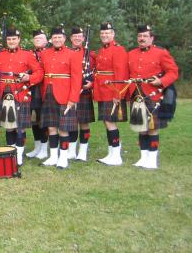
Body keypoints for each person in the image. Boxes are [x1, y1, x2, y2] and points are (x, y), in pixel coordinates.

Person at [127, 25, 179, 169]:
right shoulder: (131, 53)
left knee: (153, 128)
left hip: (153, 95)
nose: (141, 38)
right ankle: (143, 158)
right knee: (141, 127)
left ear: (151, 38)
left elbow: (173, 72)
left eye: (145, 36)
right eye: (139, 36)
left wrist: (161, 82)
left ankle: (152, 159)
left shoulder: (161, 53)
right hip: (136, 94)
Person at [0, 28, 43, 165]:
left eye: (14, 39)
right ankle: (11, 152)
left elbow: (39, 72)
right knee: (9, 126)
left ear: (19, 39)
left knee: (20, 126)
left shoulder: (27, 55)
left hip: (20, 93)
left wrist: (29, 77)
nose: (11, 41)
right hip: (4, 93)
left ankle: (19, 155)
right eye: (9, 39)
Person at [39, 26, 82, 169]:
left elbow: (77, 78)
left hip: (64, 95)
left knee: (63, 128)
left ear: (64, 39)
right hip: (48, 93)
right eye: (55, 37)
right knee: (51, 127)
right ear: (51, 39)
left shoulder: (73, 54)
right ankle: (52, 156)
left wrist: (73, 98)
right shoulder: (44, 53)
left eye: (60, 37)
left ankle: (63, 158)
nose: (57, 40)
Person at [93, 22, 129, 166]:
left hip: (112, 90)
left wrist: (118, 93)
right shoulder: (102, 50)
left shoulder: (118, 50)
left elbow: (121, 73)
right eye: (102, 33)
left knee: (110, 122)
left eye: (107, 33)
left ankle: (116, 155)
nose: (104, 35)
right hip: (102, 90)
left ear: (113, 34)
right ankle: (111, 153)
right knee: (106, 122)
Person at [69, 26, 96, 161]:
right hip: (70, 91)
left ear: (84, 38)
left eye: (80, 36)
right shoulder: (67, 52)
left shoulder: (91, 54)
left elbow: (98, 71)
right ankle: (72, 150)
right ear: (71, 38)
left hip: (84, 92)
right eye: (75, 36)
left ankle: (83, 151)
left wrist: (92, 83)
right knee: (72, 122)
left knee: (84, 123)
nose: (77, 38)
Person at [25, 29, 50, 160]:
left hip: (47, 89)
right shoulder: (29, 54)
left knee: (44, 120)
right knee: (34, 119)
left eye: (40, 38)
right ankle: (37, 147)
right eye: (36, 39)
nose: (38, 40)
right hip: (33, 89)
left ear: (46, 40)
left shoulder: (51, 53)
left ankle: (44, 149)